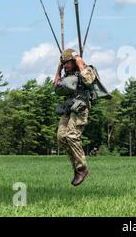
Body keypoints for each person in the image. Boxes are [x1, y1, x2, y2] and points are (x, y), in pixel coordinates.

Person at [54, 49, 97, 186]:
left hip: (80, 108)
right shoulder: (66, 74)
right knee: (61, 137)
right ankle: (77, 168)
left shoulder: (86, 70)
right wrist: (59, 69)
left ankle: (82, 168)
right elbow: (56, 87)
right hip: (68, 107)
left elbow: (89, 81)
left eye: (67, 63)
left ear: (73, 61)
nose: (65, 66)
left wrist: (80, 63)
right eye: (64, 64)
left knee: (72, 135)